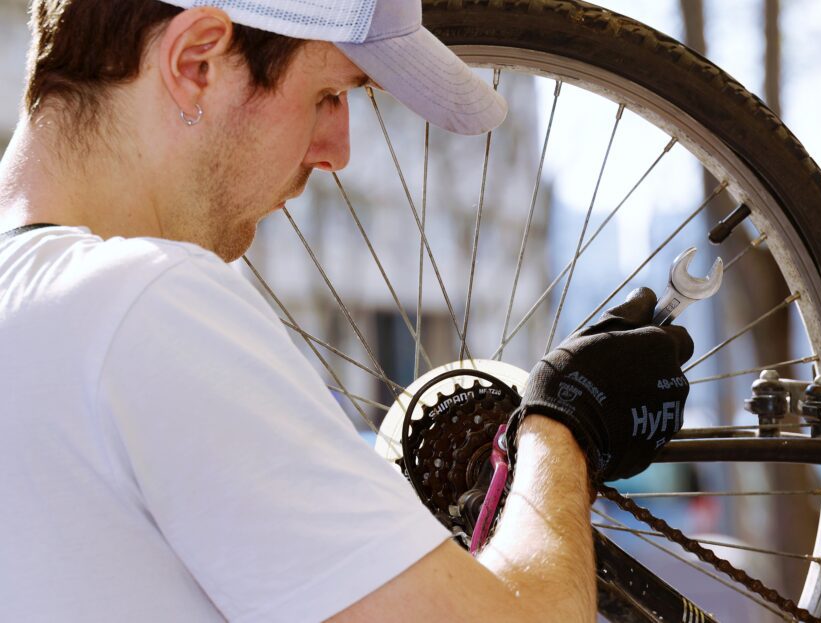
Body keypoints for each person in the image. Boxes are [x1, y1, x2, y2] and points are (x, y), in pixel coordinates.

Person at [0, 1, 693, 621]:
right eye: (328, 93)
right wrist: (566, 424)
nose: (339, 150)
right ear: (197, 62)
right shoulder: (145, 306)